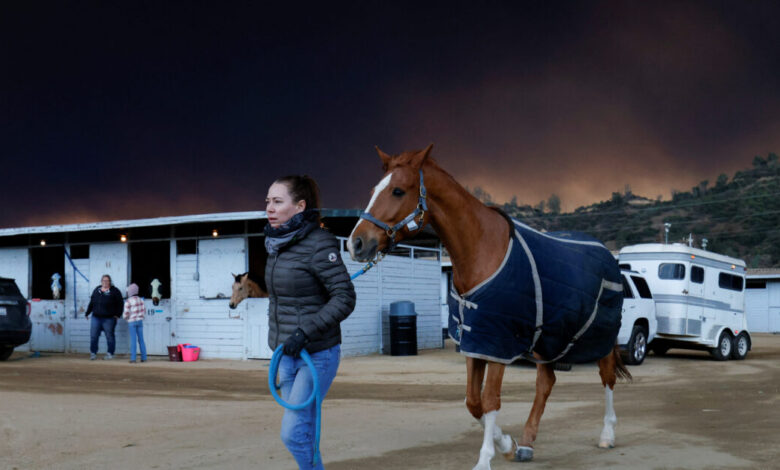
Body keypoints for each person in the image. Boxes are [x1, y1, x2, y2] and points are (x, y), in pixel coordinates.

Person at [265, 175, 356, 469]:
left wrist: (304, 333)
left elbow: (344, 297)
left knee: (292, 434)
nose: (269, 208)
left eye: (278, 201)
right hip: (285, 354)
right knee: (303, 432)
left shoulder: (319, 243)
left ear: (300, 206)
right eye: (268, 201)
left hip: (316, 354)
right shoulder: (276, 244)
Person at [85, 274, 124, 360]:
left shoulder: (115, 291)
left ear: (110, 282)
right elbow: (92, 302)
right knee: (93, 335)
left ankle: (110, 353)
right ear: (101, 281)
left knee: (109, 336)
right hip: (96, 317)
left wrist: (118, 314)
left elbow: (120, 303)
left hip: (109, 318)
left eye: (107, 280)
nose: (105, 282)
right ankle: (93, 353)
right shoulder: (96, 290)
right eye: (103, 280)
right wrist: (87, 312)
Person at [123, 283, 147, 363]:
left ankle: (133, 359)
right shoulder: (141, 300)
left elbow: (126, 314)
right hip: (140, 321)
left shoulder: (128, 301)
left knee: (133, 340)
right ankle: (144, 358)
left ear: (130, 292)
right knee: (141, 340)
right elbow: (144, 312)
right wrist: (140, 317)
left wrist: (126, 318)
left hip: (132, 322)